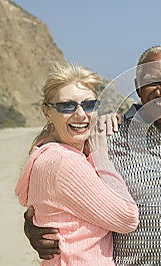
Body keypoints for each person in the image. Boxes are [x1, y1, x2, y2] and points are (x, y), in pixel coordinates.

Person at [23, 46, 161, 265]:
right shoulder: (105, 138)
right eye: (153, 82)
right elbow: (54, 188)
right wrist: (32, 224)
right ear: (137, 86)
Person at [15, 63, 139, 265]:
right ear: (47, 112)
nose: (81, 114)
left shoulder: (43, 151)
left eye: (89, 105)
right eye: (67, 106)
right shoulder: (64, 161)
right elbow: (127, 219)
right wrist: (100, 154)